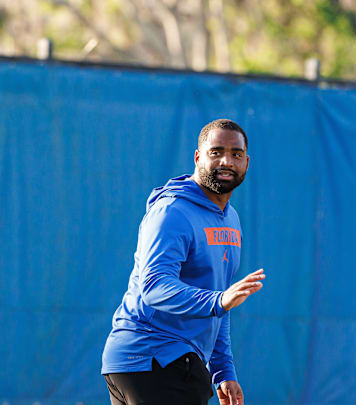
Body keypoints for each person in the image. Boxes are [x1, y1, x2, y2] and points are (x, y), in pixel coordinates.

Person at [101, 118, 265, 405]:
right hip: (154, 357)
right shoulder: (172, 211)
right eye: (216, 152)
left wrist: (223, 370)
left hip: (165, 361)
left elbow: (219, 303)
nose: (227, 161)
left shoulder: (231, 218)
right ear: (198, 157)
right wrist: (218, 300)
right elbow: (154, 287)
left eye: (236, 154)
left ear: (247, 163)